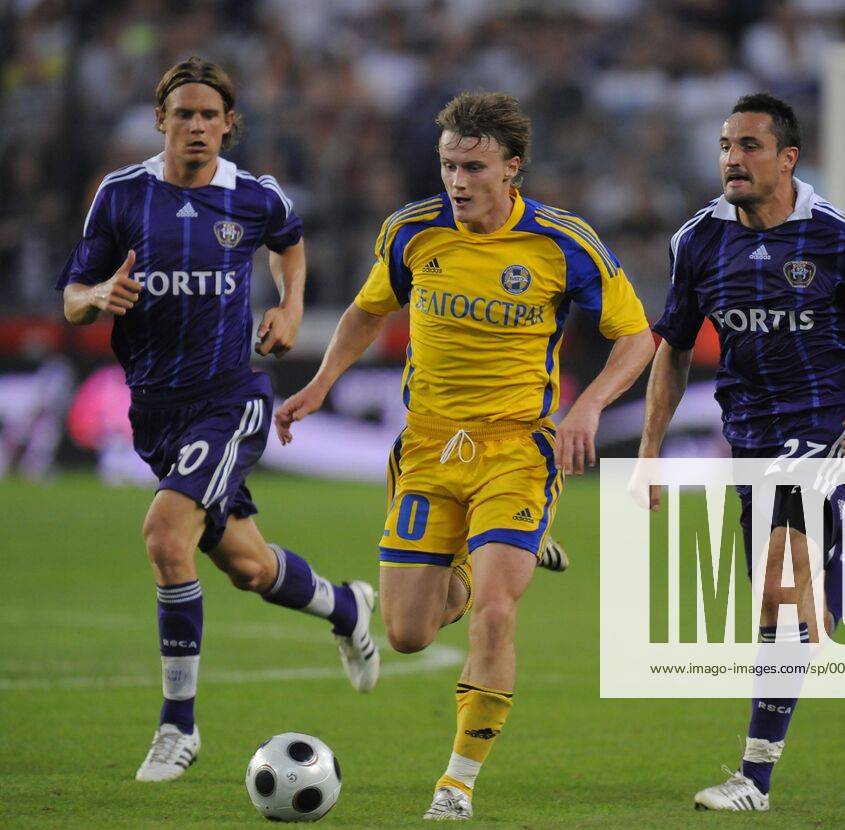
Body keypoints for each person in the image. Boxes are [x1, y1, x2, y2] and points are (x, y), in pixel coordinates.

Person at [276, 91, 653, 820]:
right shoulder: (411, 232)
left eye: (473, 166)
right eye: (448, 164)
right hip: (426, 447)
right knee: (408, 633)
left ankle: (456, 784)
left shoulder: (562, 242)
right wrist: (322, 383)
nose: (457, 179)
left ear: (512, 169)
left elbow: (636, 335)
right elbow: (365, 311)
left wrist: (588, 405)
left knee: (495, 614)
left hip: (517, 450)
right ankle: (478, 556)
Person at [56, 57, 380, 783]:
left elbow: (291, 243)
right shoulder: (120, 196)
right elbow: (71, 295)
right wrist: (99, 292)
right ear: (160, 121)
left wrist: (291, 305)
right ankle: (345, 607)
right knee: (248, 566)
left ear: (229, 125)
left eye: (209, 116)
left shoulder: (253, 198)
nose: (196, 126)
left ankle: (178, 728)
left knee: (165, 535)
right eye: (183, 115)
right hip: (156, 412)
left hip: (228, 400)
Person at [640, 92, 845, 811]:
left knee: (782, 588)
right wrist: (650, 450)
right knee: (801, 620)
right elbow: (673, 350)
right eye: (725, 146)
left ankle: (753, 780)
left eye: (748, 146)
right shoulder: (699, 242)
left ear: (788, 157)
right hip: (750, 436)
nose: (732, 160)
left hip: (832, 425)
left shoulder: (837, 236)